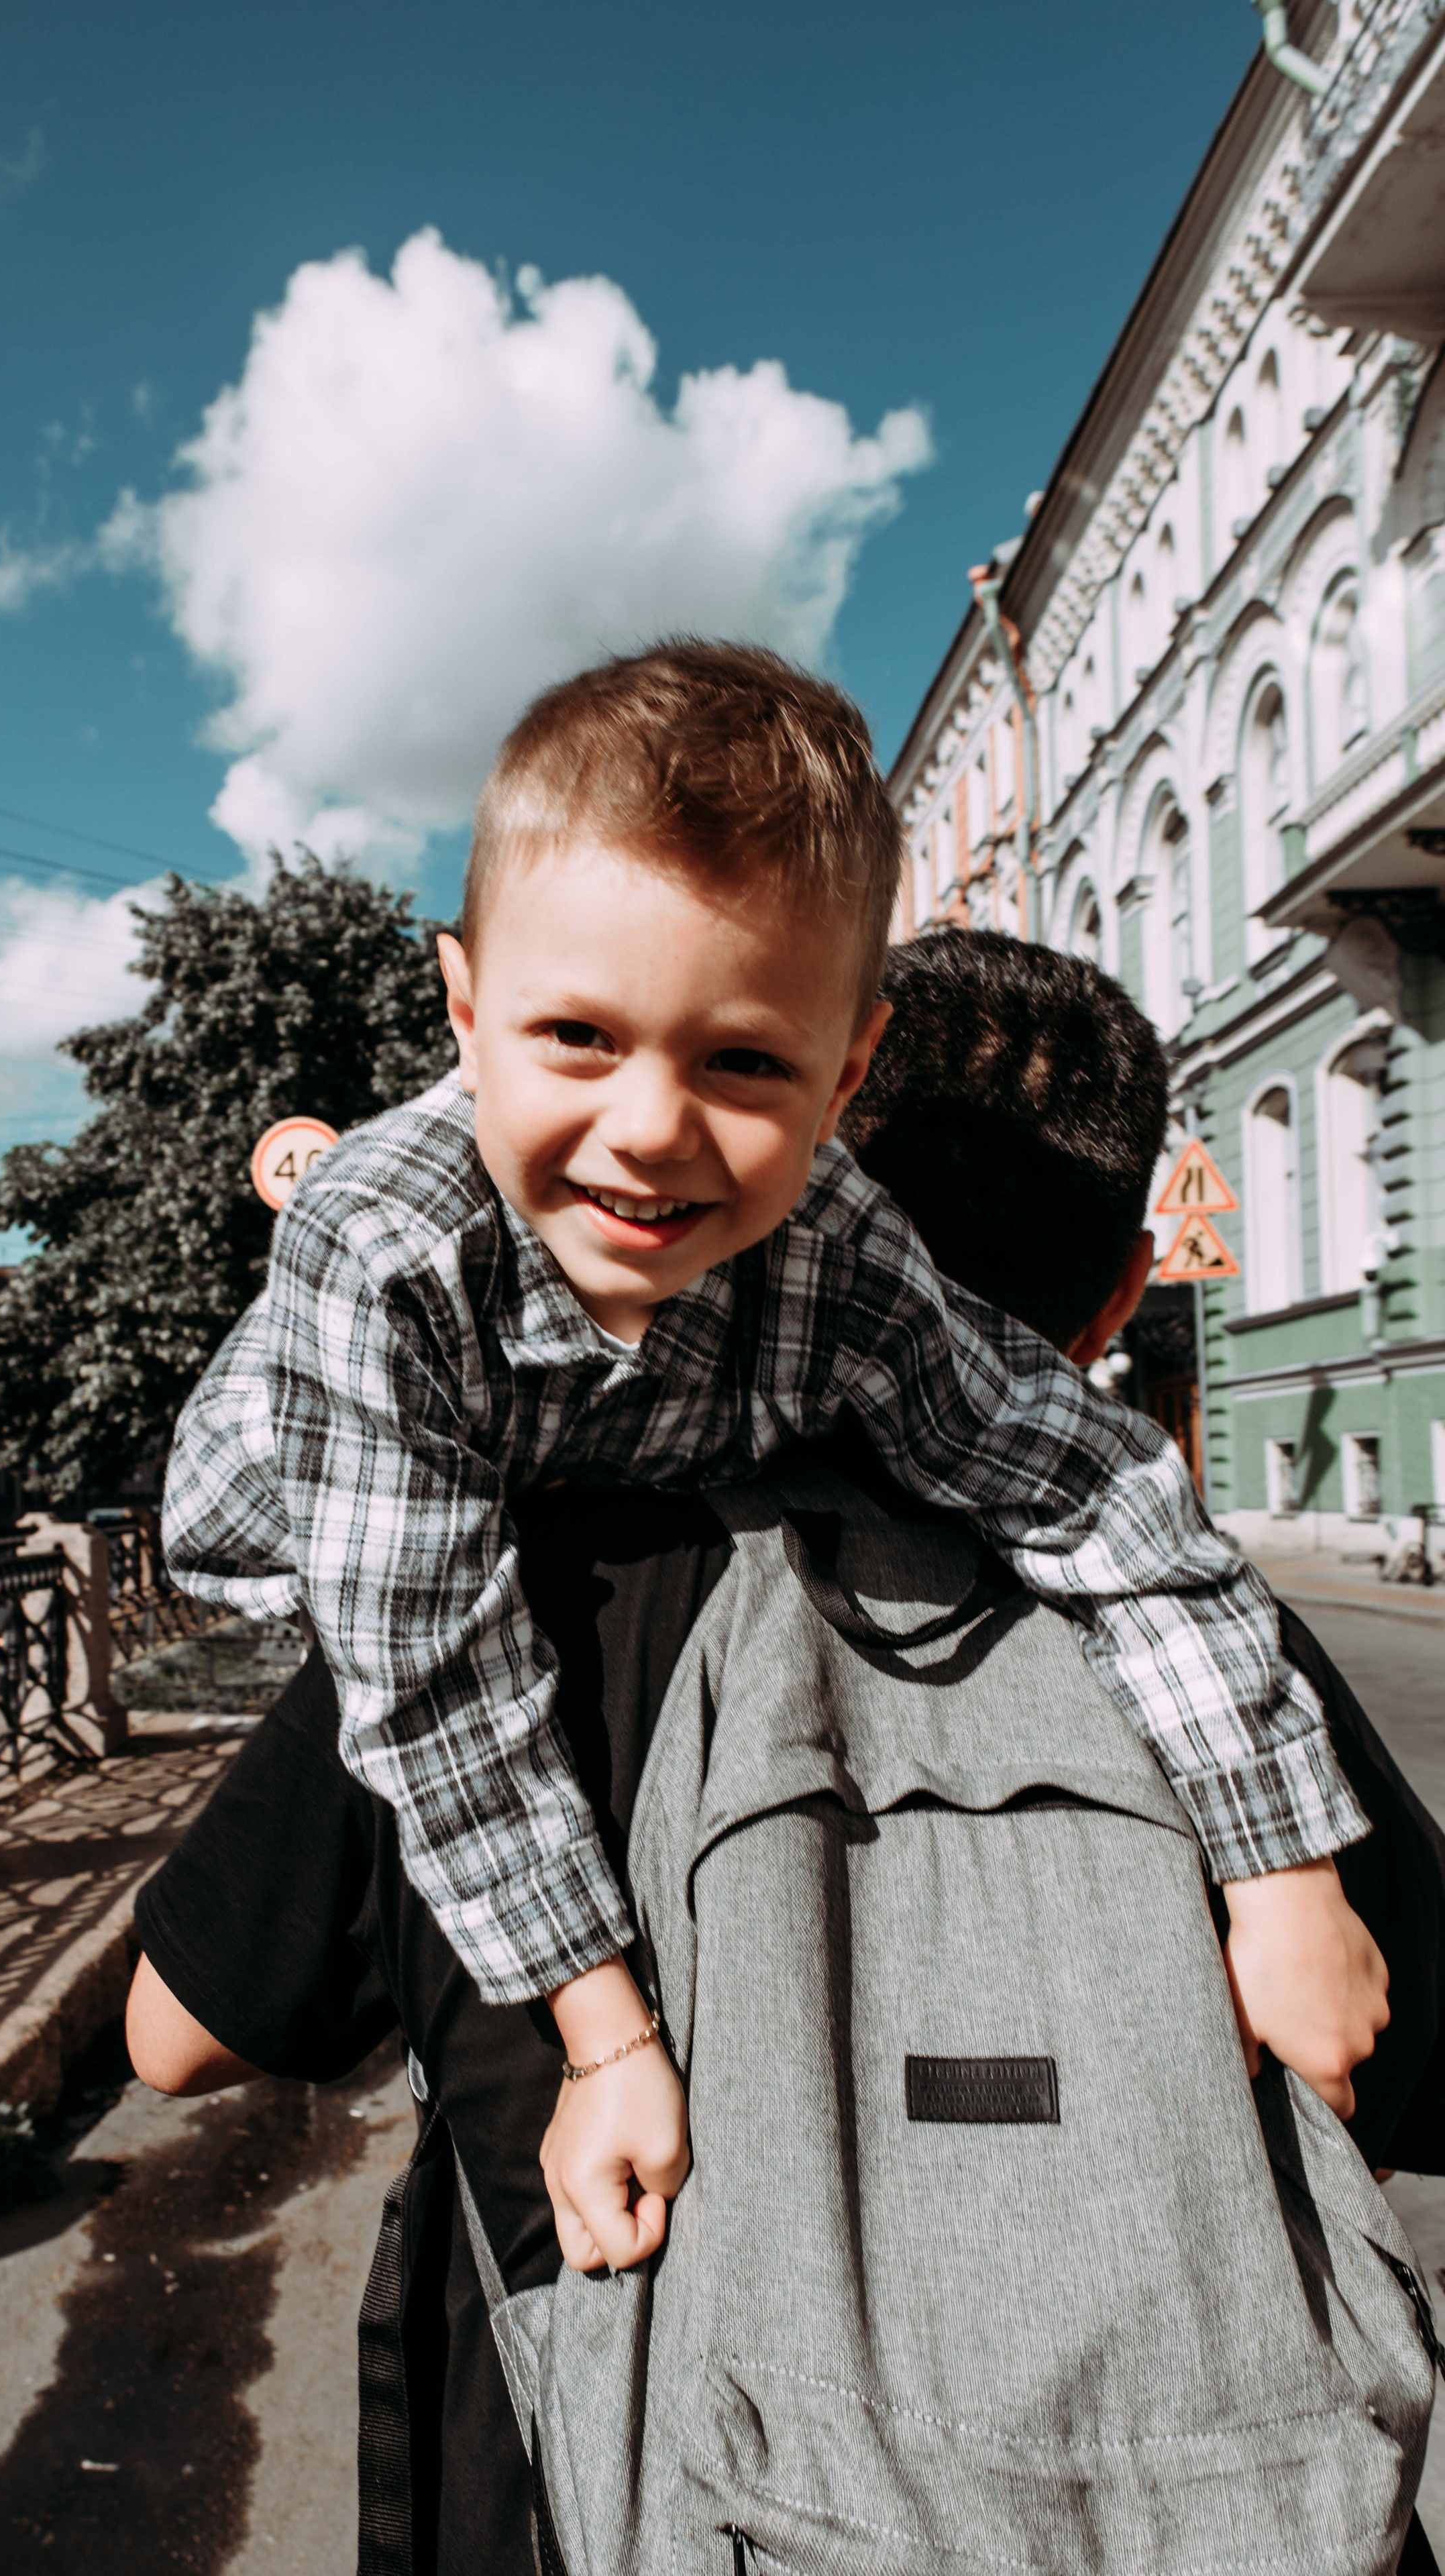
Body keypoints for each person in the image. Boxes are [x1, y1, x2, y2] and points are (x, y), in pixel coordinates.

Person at [130, 923, 1444, 2574]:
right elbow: (1393, 2066)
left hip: (609, 2493)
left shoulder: (492, 1585)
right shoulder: (1218, 1647)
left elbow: (177, 2035)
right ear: (1118, 1295)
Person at [159, 641, 1383, 2276]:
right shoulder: (389, 1259)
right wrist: (605, 2042)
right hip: (312, 1482)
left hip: (637, 1408)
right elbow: (433, 1681)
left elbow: (1084, 1483)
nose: (655, 1127)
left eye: (742, 1060)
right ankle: (340, 1150)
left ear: (848, 1074)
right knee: (381, 1289)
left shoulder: (833, 1244)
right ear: (463, 1011)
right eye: (578, 1036)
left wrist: (1279, 1872)